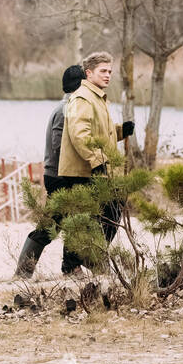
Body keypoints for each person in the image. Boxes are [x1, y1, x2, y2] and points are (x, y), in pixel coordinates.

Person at [58, 51, 134, 270]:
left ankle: (91, 258)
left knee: (110, 214)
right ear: (89, 73)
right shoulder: (83, 97)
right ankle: (72, 267)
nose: (108, 75)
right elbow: (79, 134)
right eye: (103, 71)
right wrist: (96, 159)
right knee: (83, 220)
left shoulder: (97, 96)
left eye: (110, 71)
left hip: (97, 167)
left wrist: (121, 131)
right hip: (83, 170)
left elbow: (101, 133)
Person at [15, 65, 88, 277]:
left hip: (62, 174)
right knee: (51, 225)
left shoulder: (68, 107)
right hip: (59, 175)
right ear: (80, 85)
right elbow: (59, 144)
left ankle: (71, 267)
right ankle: (23, 272)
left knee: (72, 221)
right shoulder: (67, 109)